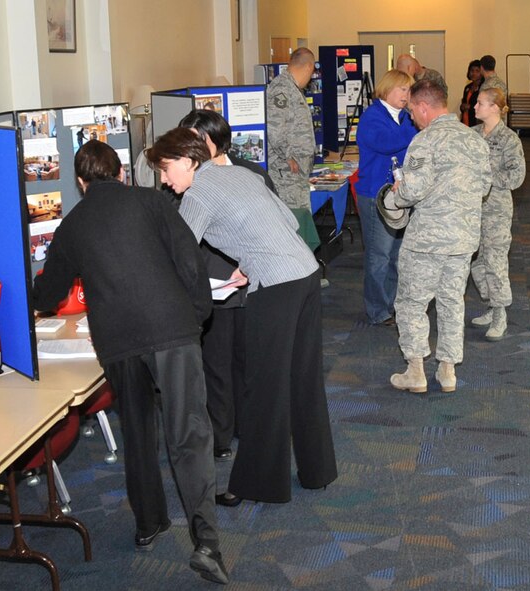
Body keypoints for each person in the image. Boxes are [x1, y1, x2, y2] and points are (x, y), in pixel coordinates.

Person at [31, 140, 229, 585]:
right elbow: (190, 264)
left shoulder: (73, 224)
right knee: (188, 434)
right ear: (121, 173)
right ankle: (207, 543)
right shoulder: (153, 202)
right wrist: (195, 318)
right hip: (171, 329)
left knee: (137, 431)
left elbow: (48, 293)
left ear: (81, 183)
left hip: (118, 340)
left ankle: (148, 524)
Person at [146, 128, 337, 505]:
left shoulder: (199, 192)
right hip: (306, 274)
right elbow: (287, 220)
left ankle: (258, 485)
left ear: (188, 161)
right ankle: (318, 472)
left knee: (264, 386)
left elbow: (181, 257)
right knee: (304, 379)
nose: (165, 181)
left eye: (166, 170)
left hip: (277, 288)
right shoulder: (239, 173)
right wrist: (251, 261)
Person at [177, 109, 277, 462]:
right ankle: (220, 437)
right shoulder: (184, 180)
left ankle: (249, 429)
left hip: (251, 283)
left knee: (248, 362)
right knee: (215, 366)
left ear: (214, 141)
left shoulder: (251, 173)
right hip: (211, 288)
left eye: (194, 139)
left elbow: (271, 223)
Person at [389, 79, 492, 394]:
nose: (411, 117)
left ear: (422, 106)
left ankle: (416, 370)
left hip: (428, 240)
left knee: (412, 302)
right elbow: (486, 186)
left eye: (412, 111)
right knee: (451, 302)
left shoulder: (425, 140)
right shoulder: (475, 139)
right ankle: (447, 372)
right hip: (463, 238)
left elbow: (412, 191)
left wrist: (399, 190)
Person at [354, 69, 417, 326]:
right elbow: (386, 142)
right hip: (375, 195)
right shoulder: (372, 117)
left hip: (399, 196)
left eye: (409, 90)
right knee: (379, 255)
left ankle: (391, 303)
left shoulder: (403, 116)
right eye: (403, 89)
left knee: (396, 255)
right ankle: (378, 310)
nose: (407, 95)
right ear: (388, 88)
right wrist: (415, 126)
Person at [470, 87, 526, 340]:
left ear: (494, 108)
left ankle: (500, 313)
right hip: (471, 209)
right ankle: (492, 304)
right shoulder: (471, 135)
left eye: (480, 103)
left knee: (495, 262)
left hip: (496, 210)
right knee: (475, 264)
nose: (474, 107)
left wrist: (486, 177)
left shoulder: (509, 139)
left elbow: (516, 176)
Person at [266, 48, 321, 251]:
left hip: (296, 175)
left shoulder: (292, 88)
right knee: (293, 225)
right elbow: (274, 128)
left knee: (300, 224)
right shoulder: (282, 89)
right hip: (286, 175)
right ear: (308, 66)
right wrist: (288, 156)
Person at [460, 60, 482, 127]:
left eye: (477, 71)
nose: (474, 73)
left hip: (477, 123)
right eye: (472, 70)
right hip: (466, 122)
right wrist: (462, 107)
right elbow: (463, 102)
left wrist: (470, 107)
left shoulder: (482, 88)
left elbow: (482, 107)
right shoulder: (467, 87)